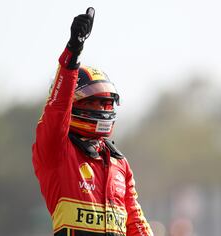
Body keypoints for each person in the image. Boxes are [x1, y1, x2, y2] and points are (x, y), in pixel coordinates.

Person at [32, 7, 153, 236]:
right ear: (75, 104)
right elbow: (57, 108)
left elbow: (136, 223)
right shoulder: (56, 150)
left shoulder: (120, 164)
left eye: (105, 103)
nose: (100, 109)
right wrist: (73, 52)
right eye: (92, 102)